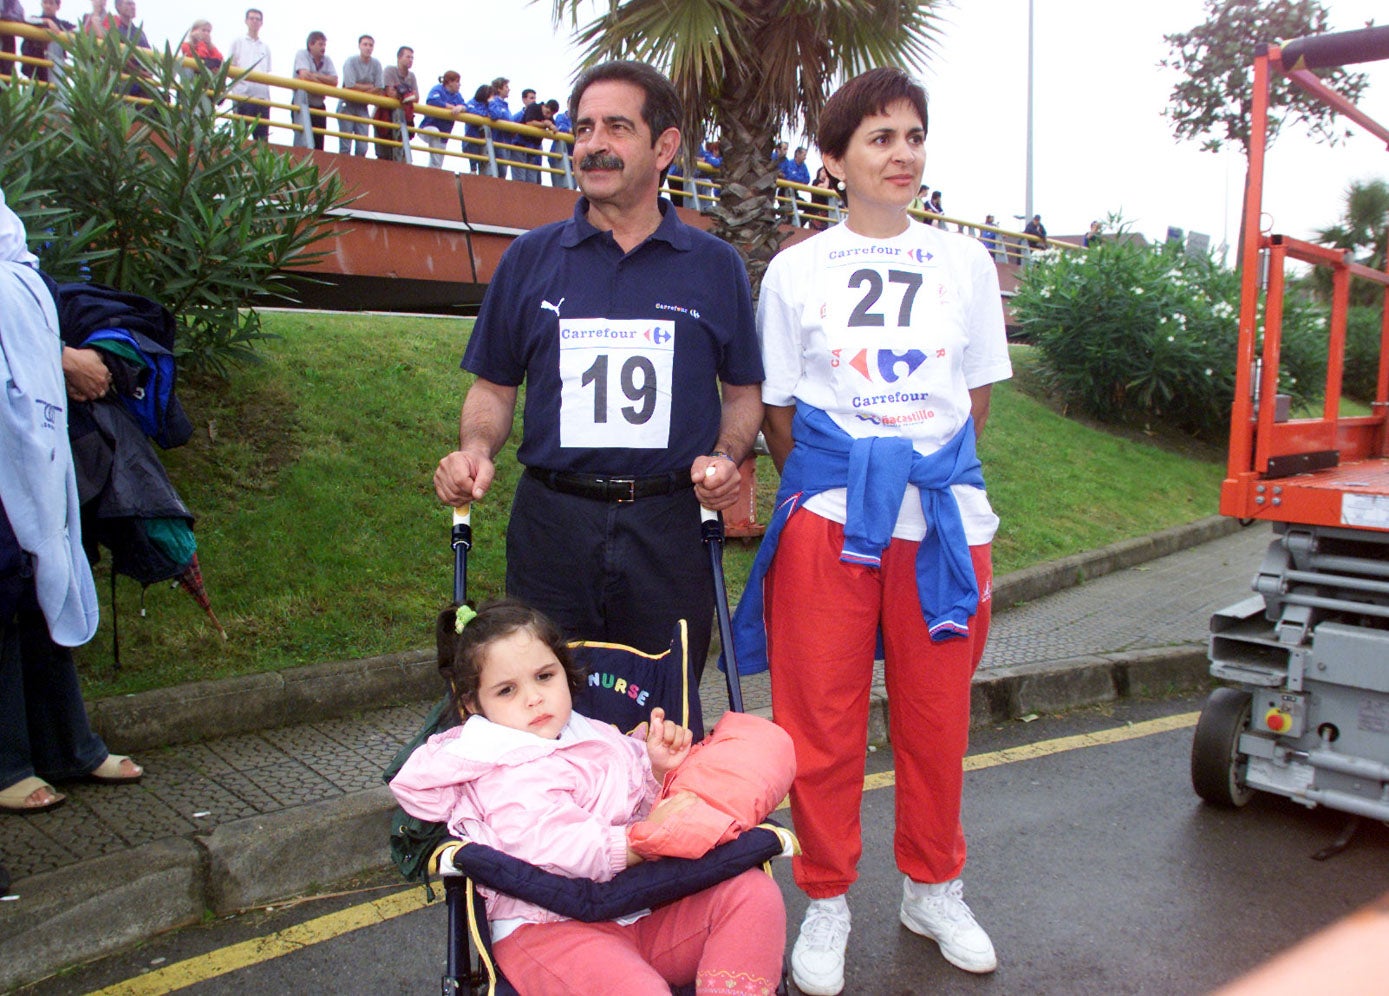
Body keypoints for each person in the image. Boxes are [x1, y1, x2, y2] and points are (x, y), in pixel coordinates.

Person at [732, 67, 1011, 993]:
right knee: (820, 719)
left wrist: (911, 474)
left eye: (912, 135)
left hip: (938, 521)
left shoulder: (964, 262)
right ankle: (826, 899)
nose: (901, 153)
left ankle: (933, 885)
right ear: (833, 158)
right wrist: (835, 484)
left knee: (936, 720)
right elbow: (776, 410)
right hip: (827, 521)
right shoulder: (795, 268)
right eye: (879, 137)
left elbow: (969, 400)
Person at [432, 59, 763, 679]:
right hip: (552, 528)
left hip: (670, 528)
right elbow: (494, 387)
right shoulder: (529, 259)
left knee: (663, 719)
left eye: (616, 127)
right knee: (537, 716)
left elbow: (743, 393)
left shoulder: (714, 265)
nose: (594, 145)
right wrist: (475, 448)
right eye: (583, 129)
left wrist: (724, 455)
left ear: (664, 147)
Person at [389, 599, 787, 995]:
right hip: (547, 930)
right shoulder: (497, 766)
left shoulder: (591, 734)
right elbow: (556, 845)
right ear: (473, 706)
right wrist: (643, 839)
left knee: (752, 895)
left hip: (635, 912)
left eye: (544, 676)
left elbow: (636, 797)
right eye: (507, 690)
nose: (533, 698)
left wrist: (657, 772)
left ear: (565, 671)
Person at [0, 186, 144, 817]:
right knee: (5, 586)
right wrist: (58, 357)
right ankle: (7, 759)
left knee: (42, 575)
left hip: (29, 442)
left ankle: (65, 744)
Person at [226, 8, 270, 141]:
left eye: (258, 19)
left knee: (262, 140)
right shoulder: (238, 42)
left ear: (262, 23)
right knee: (240, 138)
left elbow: (266, 71)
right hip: (243, 96)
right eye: (252, 18)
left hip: (262, 98)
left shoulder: (265, 47)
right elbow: (230, 67)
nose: (255, 21)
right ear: (246, 21)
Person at [337, 34, 382, 157]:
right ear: (359, 46)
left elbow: (379, 87)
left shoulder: (376, 64)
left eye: (370, 45)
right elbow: (350, 86)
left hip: (363, 107)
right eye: (365, 44)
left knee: (363, 147)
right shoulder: (351, 61)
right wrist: (369, 87)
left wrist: (360, 90)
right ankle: (343, 173)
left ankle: (357, 173)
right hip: (347, 104)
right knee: (345, 145)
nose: (368, 48)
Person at [291, 30, 336, 150]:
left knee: (319, 144)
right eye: (320, 44)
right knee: (302, 140)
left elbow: (335, 81)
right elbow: (304, 76)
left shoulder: (327, 60)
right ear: (311, 44)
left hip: (319, 106)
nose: (323, 48)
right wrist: (324, 85)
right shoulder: (302, 54)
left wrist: (314, 76)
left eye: (324, 45)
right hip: (302, 103)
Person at [21, 0, 74, 83]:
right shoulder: (35, 19)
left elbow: (77, 30)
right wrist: (46, 21)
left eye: (51, 3)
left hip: (55, 66)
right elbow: (26, 20)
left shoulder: (62, 24)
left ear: (58, 7)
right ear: (41, 4)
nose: (47, 6)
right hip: (36, 66)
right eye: (45, 3)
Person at [379, 46, 417, 162]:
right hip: (385, 116)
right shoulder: (390, 70)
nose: (410, 60)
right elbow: (390, 92)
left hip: (403, 119)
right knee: (384, 152)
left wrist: (401, 94)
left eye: (412, 57)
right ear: (399, 58)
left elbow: (416, 97)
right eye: (408, 57)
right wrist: (405, 95)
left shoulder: (412, 76)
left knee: (402, 152)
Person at [423, 70, 466, 169]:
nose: (459, 84)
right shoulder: (438, 89)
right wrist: (451, 107)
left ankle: (432, 179)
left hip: (445, 132)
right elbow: (432, 100)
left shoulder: (457, 95)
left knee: (438, 163)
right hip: (428, 127)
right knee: (435, 133)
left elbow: (466, 106)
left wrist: (460, 107)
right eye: (457, 82)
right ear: (449, 82)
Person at [486, 76, 512, 178]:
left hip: (505, 142)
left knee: (502, 172)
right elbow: (496, 115)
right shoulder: (494, 102)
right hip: (497, 141)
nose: (508, 89)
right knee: (498, 171)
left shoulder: (505, 105)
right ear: (499, 89)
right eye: (506, 86)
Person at [462, 83, 492, 174]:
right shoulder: (472, 102)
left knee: (485, 162)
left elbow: (494, 114)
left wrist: (491, 103)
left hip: (485, 138)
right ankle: (473, 173)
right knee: (473, 157)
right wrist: (484, 115)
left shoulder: (489, 104)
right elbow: (470, 110)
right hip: (472, 136)